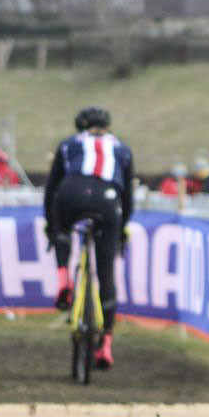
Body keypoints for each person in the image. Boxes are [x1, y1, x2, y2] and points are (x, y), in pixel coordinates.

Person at [44, 106, 134, 369]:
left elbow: (51, 191)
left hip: (70, 193)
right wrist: (121, 228)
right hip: (107, 200)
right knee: (105, 274)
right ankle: (105, 344)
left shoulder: (68, 144)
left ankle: (63, 277)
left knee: (61, 230)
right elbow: (127, 196)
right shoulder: (122, 148)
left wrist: (53, 226)